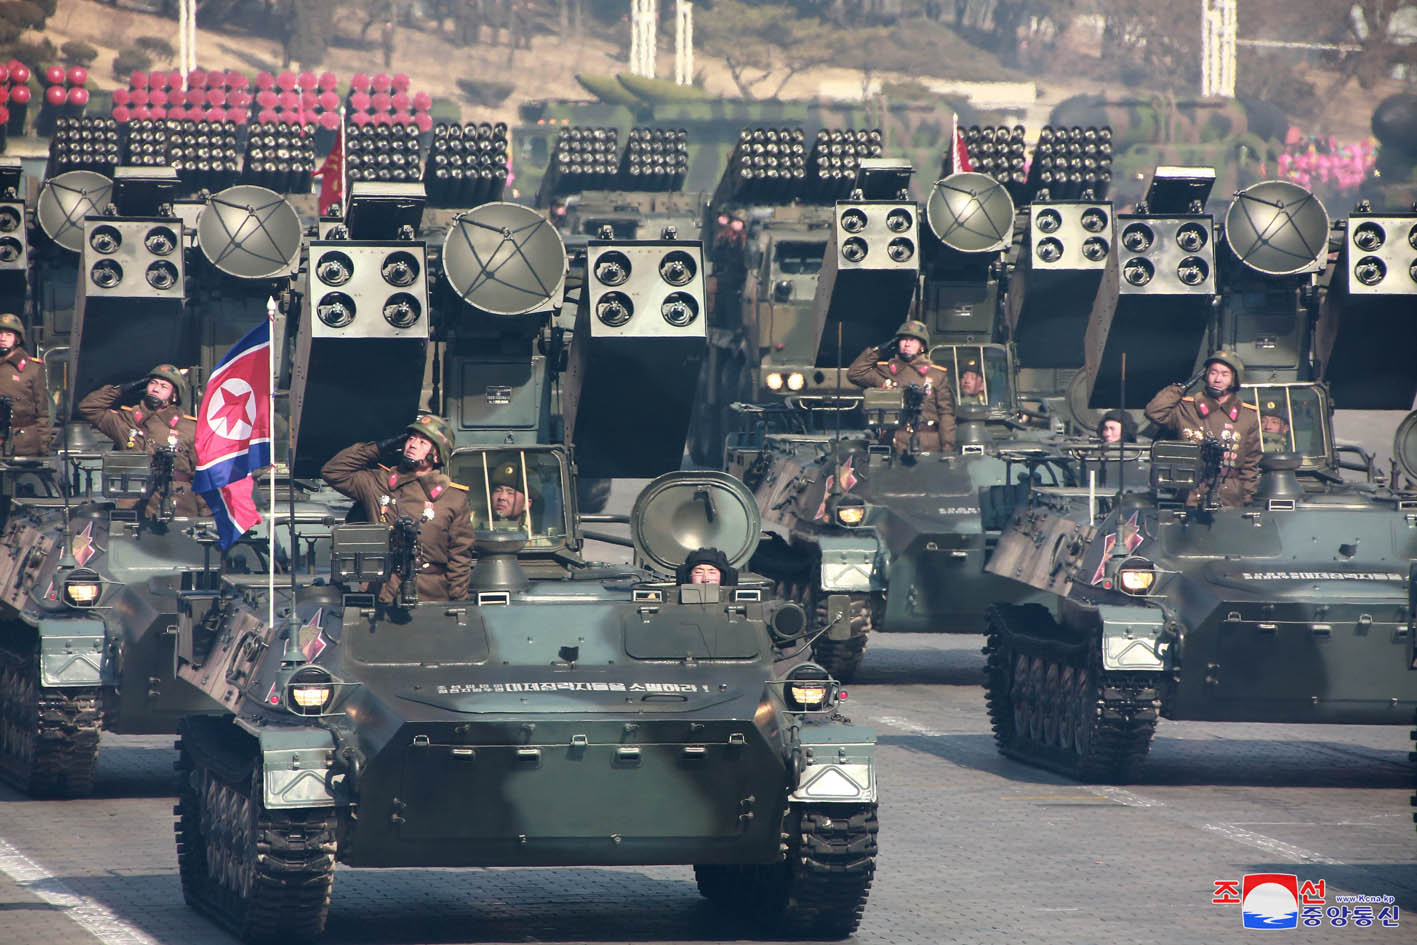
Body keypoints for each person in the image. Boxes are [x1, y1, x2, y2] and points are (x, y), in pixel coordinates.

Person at [322, 414, 475, 603]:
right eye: (411, 438)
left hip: (431, 596)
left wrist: (459, 604)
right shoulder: (379, 483)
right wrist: (381, 447)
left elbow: (460, 556)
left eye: (422, 442)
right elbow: (333, 471)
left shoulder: (452, 498)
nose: (413, 445)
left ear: (436, 455)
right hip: (381, 591)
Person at [78, 364, 208, 518]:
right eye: (152, 383)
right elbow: (88, 408)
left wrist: (207, 516)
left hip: (178, 504)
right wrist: (123, 389)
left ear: (174, 396)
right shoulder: (126, 420)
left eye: (164, 386)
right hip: (134, 504)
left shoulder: (189, 428)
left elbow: (202, 476)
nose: (156, 389)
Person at [1144, 350, 1260, 507]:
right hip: (1190, 490)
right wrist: (1182, 387)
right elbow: (1154, 412)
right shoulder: (1187, 408)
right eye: (1213, 373)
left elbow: (1250, 461)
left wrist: (1247, 496)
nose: (1217, 379)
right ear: (1205, 375)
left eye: (1225, 374)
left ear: (1234, 379)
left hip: (1229, 493)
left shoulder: (1247, 416)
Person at [846, 319, 956, 453]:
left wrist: (947, 448)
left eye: (913, 340)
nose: (907, 344)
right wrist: (878, 351)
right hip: (893, 440)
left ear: (922, 346)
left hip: (927, 442)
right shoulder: (886, 371)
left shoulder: (936, 375)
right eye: (903, 339)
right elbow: (854, 373)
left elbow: (945, 414)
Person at [0, 313, 51, 456]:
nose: (2, 338)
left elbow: (42, 411)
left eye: (8, 335)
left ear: (17, 339)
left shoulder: (32, 368)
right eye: (0, 334)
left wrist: (43, 445)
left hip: (24, 443)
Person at [469, 456, 541, 532]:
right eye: (498, 490)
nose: (502, 497)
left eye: (510, 493)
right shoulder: (475, 534)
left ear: (526, 504)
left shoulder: (533, 537)